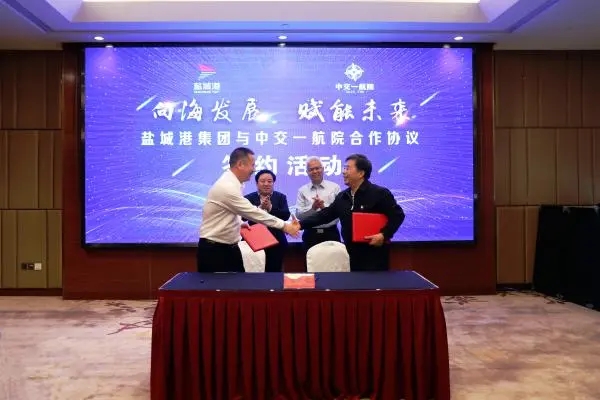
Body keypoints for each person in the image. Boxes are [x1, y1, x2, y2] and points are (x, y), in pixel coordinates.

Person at [197, 147, 300, 273]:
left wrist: (239, 223)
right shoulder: (227, 187)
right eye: (252, 165)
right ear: (240, 164)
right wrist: (285, 226)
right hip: (215, 251)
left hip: (230, 248)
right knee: (218, 286)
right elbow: (253, 213)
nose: (254, 169)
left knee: (239, 283)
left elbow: (229, 211)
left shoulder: (236, 183)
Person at [298, 154, 405, 271]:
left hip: (374, 255)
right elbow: (325, 215)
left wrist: (384, 235)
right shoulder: (343, 196)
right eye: (344, 168)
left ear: (361, 173)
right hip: (350, 255)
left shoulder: (379, 193)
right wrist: (299, 225)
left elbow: (397, 215)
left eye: (347, 168)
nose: (343, 172)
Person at [244, 169, 290, 272]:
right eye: (262, 181)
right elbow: (243, 217)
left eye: (269, 181)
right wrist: (259, 208)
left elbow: (286, 215)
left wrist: (270, 208)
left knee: (274, 272)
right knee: (254, 272)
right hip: (254, 241)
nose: (266, 184)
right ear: (257, 183)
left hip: (276, 241)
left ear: (273, 183)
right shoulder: (248, 198)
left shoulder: (281, 197)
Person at [295, 156, 341, 253]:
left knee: (334, 262)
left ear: (323, 169)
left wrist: (324, 208)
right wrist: (313, 209)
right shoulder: (302, 190)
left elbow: (339, 212)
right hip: (310, 235)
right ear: (307, 172)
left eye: (317, 168)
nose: (315, 171)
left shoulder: (335, 188)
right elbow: (299, 215)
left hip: (330, 233)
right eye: (311, 169)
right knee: (310, 261)